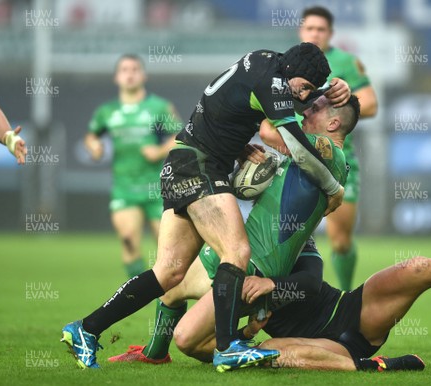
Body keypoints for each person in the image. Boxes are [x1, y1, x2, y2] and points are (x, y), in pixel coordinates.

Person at [61, 43, 352, 370]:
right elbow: (298, 147)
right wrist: (334, 188)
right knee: (238, 251)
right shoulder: (273, 83)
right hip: (200, 169)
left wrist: (236, 145)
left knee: (169, 271)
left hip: (182, 162)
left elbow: (222, 105)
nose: (304, 96)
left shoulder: (267, 63)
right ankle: (229, 347)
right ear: (293, 74)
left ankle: (86, 329)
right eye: (306, 87)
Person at [107, 95, 359, 371]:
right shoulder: (308, 156)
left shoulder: (330, 152)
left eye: (314, 109)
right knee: (173, 279)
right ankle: (154, 353)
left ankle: (250, 349)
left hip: (256, 268)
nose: (305, 112)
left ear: (334, 123)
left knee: (187, 339)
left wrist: (286, 94)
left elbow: (268, 130)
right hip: (238, 249)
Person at [183, 258, 431, 372]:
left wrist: (274, 287)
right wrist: (246, 333)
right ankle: (379, 366)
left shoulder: (291, 233)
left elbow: (313, 284)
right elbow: (200, 341)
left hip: (349, 311)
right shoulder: (224, 264)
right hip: (316, 345)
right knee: (269, 353)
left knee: (421, 267)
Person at [299, 6, 378, 290]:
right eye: (310, 28)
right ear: (301, 31)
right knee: (290, 237)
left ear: (330, 34)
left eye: (321, 29)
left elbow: (370, 104)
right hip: (298, 161)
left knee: (340, 241)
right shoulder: (292, 63)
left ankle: (345, 295)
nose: (315, 33)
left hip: (340, 163)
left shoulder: (345, 62)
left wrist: (345, 98)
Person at [85, 54, 181, 278]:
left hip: (157, 188)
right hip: (124, 187)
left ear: (143, 75)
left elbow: (179, 136)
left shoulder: (159, 107)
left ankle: (167, 295)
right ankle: (137, 291)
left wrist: (158, 151)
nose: (130, 74)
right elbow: (91, 137)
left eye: (135, 69)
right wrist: (94, 148)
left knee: (168, 248)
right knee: (129, 240)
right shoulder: (107, 111)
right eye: (124, 70)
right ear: (116, 77)